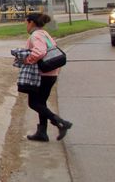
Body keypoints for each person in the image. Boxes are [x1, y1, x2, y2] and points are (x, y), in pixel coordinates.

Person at [13, 12, 73, 142]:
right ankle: (42, 132)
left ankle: (60, 122)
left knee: (33, 103)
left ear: (31, 22)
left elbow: (40, 52)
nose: (26, 26)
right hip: (51, 73)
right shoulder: (44, 34)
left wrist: (27, 60)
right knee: (41, 103)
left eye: (26, 23)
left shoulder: (36, 35)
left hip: (43, 75)